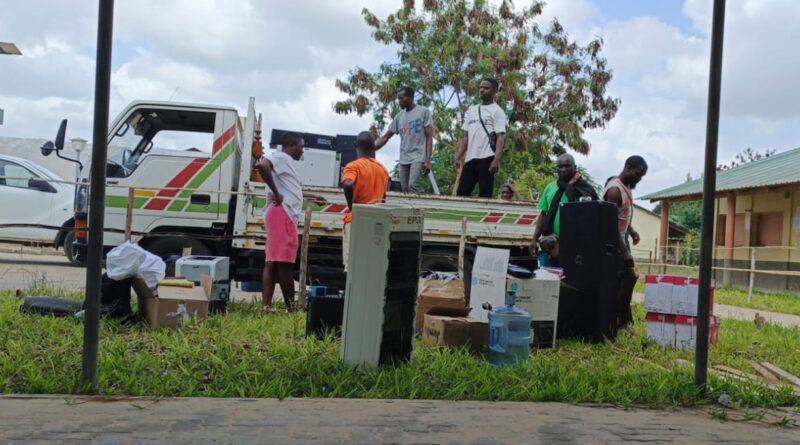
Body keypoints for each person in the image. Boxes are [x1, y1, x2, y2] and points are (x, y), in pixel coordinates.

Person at [256, 132, 326, 313]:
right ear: (292, 145)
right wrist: (276, 192)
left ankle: (266, 306)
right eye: (301, 147)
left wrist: (311, 196)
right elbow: (262, 165)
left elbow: (290, 190)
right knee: (285, 264)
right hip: (283, 215)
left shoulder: (285, 162)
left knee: (272, 261)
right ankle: (291, 309)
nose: (303, 151)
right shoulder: (281, 158)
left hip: (278, 214)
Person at [603, 155, 648, 336]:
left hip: (622, 241)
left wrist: (631, 230)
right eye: (638, 174)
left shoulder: (626, 188)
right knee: (629, 277)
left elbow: (621, 216)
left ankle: (620, 320)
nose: (639, 179)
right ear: (628, 168)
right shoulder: (614, 190)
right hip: (614, 244)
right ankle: (621, 323)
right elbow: (609, 223)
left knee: (625, 280)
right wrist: (624, 252)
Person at [529, 154, 598, 265]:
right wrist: (534, 239)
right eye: (560, 167)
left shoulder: (583, 189)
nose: (563, 170)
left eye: (567, 166)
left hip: (574, 248)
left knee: (568, 281)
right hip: (548, 246)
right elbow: (543, 214)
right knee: (545, 279)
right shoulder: (550, 187)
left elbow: (591, 217)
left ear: (575, 167)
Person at [341, 131, 391, 271]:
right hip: (375, 223)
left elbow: (348, 184)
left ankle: (352, 293)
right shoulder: (383, 170)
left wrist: (352, 206)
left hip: (356, 220)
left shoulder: (353, 166)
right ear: (373, 147)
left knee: (352, 267)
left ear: (356, 144)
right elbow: (383, 198)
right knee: (370, 267)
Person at [454, 78, 506, 198]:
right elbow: (467, 136)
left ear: (494, 91)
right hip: (470, 158)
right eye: (481, 87)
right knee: (461, 193)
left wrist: (496, 160)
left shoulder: (497, 111)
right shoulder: (472, 110)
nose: (482, 90)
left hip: (487, 157)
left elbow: (500, 137)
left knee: (485, 194)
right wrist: (458, 157)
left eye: (486, 88)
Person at [374, 87, 433, 193]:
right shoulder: (399, 116)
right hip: (404, 157)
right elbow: (386, 136)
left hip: (418, 156)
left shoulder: (423, 112)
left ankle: (416, 209)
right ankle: (408, 209)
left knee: (412, 186)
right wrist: (371, 148)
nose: (399, 101)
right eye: (398, 99)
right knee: (404, 189)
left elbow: (429, 136)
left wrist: (428, 160)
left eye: (402, 98)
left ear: (410, 97)